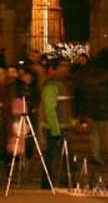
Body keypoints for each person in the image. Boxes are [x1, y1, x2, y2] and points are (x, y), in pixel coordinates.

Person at [38, 55, 73, 189]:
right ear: (55, 68)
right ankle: (48, 183)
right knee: (51, 158)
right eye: (63, 66)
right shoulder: (51, 85)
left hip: (64, 125)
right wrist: (55, 130)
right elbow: (49, 109)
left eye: (67, 66)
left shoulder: (66, 83)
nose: (66, 69)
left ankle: (64, 181)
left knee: (64, 158)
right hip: (54, 128)